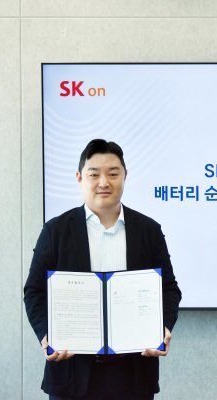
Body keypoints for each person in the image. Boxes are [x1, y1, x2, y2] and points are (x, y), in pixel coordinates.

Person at [24, 139, 182, 399]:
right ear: (79, 177)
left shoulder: (149, 231)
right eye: (94, 174)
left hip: (133, 373)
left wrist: (162, 327)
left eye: (113, 173)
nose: (104, 182)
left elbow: (169, 289)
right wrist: (46, 335)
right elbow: (34, 292)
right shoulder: (55, 231)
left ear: (125, 175)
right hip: (71, 373)